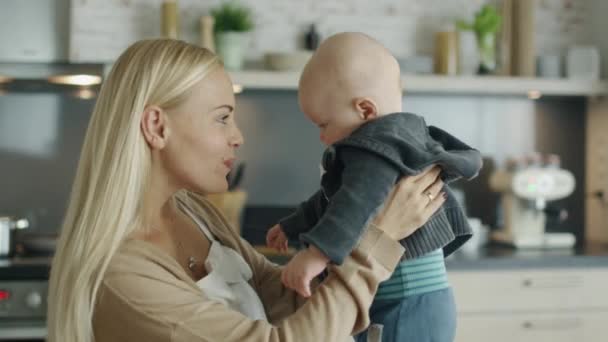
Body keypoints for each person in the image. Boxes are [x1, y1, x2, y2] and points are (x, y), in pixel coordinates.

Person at [46, 38, 447, 342]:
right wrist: (377, 242)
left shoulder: (194, 213)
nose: (237, 137)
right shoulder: (123, 276)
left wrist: (347, 237)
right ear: (157, 127)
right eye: (222, 119)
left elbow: (281, 296)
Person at [265, 32, 483, 342]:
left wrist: (315, 255)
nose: (322, 138)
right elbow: (338, 198)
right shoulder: (398, 139)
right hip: (418, 300)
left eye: (323, 125)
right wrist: (295, 223)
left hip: (403, 302)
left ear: (365, 110)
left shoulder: (375, 147)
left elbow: (352, 204)